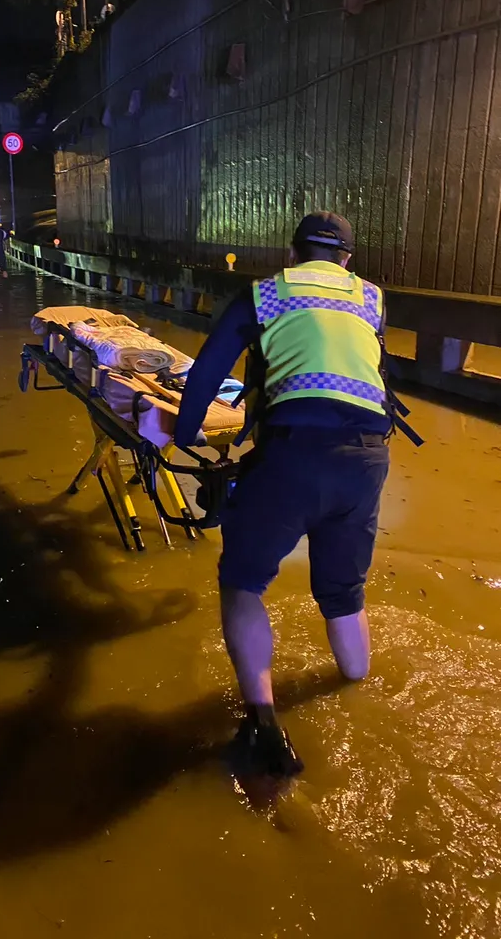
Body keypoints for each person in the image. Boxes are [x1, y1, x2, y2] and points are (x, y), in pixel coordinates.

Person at [174, 212, 420, 779]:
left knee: (242, 583)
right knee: (343, 592)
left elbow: (209, 372)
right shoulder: (371, 299)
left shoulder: (264, 294)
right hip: (366, 460)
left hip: (291, 455)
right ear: (347, 261)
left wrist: (186, 438)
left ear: (293, 255)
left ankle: (262, 720)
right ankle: (355, 684)